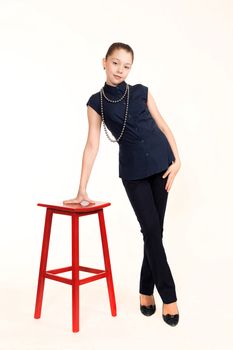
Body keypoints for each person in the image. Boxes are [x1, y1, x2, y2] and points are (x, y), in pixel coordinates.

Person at [63, 42, 181, 327]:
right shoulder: (96, 102)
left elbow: (163, 125)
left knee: (154, 232)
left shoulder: (141, 91)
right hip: (133, 173)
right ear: (104, 62)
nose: (120, 70)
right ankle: (170, 297)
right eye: (115, 63)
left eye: (126, 66)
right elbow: (92, 145)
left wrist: (177, 160)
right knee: (151, 231)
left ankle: (144, 292)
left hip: (162, 166)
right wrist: (82, 189)